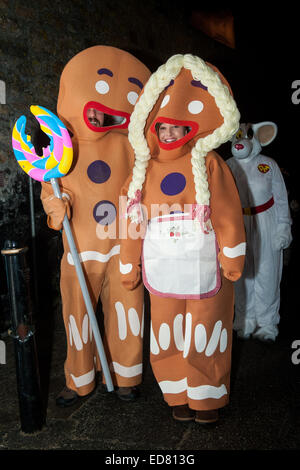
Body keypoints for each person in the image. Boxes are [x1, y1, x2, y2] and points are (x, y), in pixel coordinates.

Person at [120, 54, 246, 424]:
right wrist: (128, 262)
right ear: (151, 128)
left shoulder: (209, 165)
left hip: (207, 268)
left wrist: (233, 256)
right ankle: (176, 391)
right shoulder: (142, 172)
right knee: (166, 331)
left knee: (205, 328)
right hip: (162, 273)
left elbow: (226, 213)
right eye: (163, 127)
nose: (169, 134)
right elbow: (131, 222)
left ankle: (206, 396)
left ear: (192, 129)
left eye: (177, 127)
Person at [41, 46, 150, 406]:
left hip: (122, 243)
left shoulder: (129, 147)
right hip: (80, 245)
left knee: (127, 309)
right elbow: (52, 186)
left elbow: (141, 183)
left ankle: (125, 375)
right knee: (77, 313)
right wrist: (57, 206)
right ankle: (80, 378)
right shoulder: (62, 147)